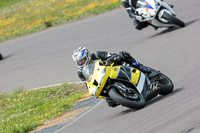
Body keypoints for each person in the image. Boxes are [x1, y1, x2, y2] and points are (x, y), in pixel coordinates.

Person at [72, 46, 157, 107]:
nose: (81, 63)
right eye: (79, 62)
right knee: (110, 102)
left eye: (82, 60)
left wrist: (110, 60)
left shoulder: (97, 55)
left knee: (123, 55)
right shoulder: (80, 72)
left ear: (87, 56)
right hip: (102, 80)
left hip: (112, 68)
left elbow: (112, 55)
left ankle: (144, 69)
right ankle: (122, 95)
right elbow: (87, 83)